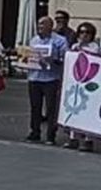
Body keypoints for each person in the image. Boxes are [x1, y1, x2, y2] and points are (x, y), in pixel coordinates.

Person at [24, 15, 69, 145]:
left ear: (50, 26)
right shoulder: (33, 40)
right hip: (34, 77)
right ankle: (34, 132)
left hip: (51, 78)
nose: (40, 27)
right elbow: (29, 56)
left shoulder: (60, 40)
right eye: (39, 24)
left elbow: (66, 59)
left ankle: (50, 135)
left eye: (43, 24)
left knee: (51, 109)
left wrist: (53, 60)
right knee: (35, 107)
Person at [66, 22, 101, 151]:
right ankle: (73, 137)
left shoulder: (95, 47)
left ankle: (88, 139)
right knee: (74, 109)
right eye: (81, 32)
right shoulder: (75, 46)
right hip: (76, 81)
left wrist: (81, 49)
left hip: (89, 80)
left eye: (87, 32)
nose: (84, 35)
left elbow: (94, 58)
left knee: (88, 112)